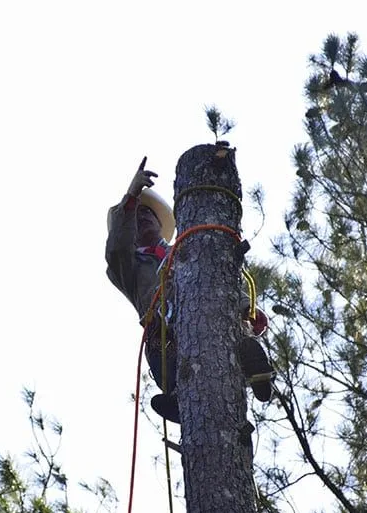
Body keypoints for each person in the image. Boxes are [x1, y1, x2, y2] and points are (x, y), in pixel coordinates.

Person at [105, 156, 275, 424]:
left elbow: (222, 280)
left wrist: (246, 307)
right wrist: (132, 196)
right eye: (138, 217)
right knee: (163, 351)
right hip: (166, 329)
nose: (145, 218)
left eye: (149, 213)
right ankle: (177, 396)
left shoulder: (185, 248)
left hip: (208, 309)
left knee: (231, 334)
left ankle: (252, 367)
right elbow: (116, 247)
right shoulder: (129, 268)